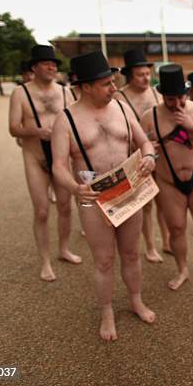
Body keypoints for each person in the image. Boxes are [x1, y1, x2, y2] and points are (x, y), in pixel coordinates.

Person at [51, 50, 157, 341]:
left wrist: (149, 157)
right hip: (92, 195)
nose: (114, 87)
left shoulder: (121, 108)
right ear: (85, 87)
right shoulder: (66, 120)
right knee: (105, 260)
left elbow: (145, 142)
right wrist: (74, 187)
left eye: (113, 82)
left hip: (127, 190)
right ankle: (107, 311)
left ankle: (135, 300)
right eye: (106, 84)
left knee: (132, 253)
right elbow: (58, 165)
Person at [140, 64, 193, 290]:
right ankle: (182, 270)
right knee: (176, 228)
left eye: (180, 98)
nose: (177, 103)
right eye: (170, 99)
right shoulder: (150, 117)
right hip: (169, 182)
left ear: (186, 93)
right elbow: (139, 146)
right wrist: (149, 147)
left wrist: (192, 127)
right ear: (162, 96)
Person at [8, 45, 81, 282]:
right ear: (34, 67)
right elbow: (13, 128)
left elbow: (75, 121)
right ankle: (46, 261)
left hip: (60, 158)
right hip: (35, 157)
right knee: (41, 211)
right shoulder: (21, 93)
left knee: (65, 206)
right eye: (46, 63)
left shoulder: (65, 92)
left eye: (54, 64)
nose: (52, 67)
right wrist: (37, 131)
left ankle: (63, 249)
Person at [114, 49, 169, 263]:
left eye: (147, 74)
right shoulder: (120, 96)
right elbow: (117, 130)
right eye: (140, 75)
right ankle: (149, 246)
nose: (146, 78)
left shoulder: (156, 93)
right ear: (130, 75)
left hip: (160, 154)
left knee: (163, 200)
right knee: (145, 202)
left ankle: (166, 240)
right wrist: (139, 145)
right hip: (134, 156)